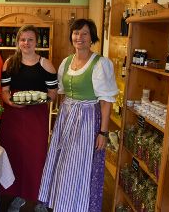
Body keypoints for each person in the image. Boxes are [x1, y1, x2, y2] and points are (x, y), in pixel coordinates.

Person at [37, 19, 118, 212]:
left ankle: (76, 206)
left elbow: (106, 101)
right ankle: (60, 203)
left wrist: (103, 132)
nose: (79, 37)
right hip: (66, 117)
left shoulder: (100, 64)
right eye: (75, 33)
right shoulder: (66, 62)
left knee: (78, 166)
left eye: (84, 34)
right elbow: (61, 92)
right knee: (62, 161)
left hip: (87, 119)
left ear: (92, 38)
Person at [0, 25, 58, 211]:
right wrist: (11, 103)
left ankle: (39, 198)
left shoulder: (45, 64)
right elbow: (5, 92)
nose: (26, 43)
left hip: (36, 118)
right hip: (14, 117)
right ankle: (17, 196)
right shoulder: (9, 63)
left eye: (30, 39)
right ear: (18, 42)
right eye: (23, 39)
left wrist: (39, 100)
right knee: (14, 156)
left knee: (36, 157)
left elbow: (53, 93)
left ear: (36, 42)